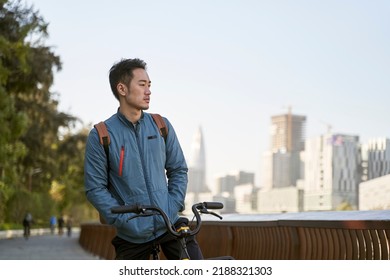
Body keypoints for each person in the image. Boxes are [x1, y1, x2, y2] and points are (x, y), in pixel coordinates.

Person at [84, 58, 203, 260]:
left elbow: (178, 170)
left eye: (149, 85)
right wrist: (126, 221)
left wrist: (171, 206)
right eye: (142, 85)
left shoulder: (161, 125)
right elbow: (95, 188)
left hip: (170, 224)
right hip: (132, 233)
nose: (148, 91)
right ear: (122, 89)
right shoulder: (101, 135)